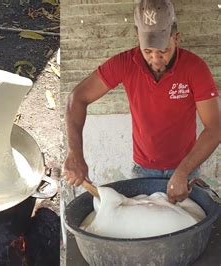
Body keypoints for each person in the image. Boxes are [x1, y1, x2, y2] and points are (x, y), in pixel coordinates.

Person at [63, 0, 219, 204]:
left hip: (185, 168)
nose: (155, 59)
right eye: (148, 51)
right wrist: (74, 152)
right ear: (138, 39)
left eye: (163, 50)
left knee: (184, 229)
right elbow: (77, 98)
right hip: (143, 170)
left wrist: (183, 172)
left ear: (176, 37)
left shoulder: (195, 68)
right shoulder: (125, 63)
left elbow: (215, 127)